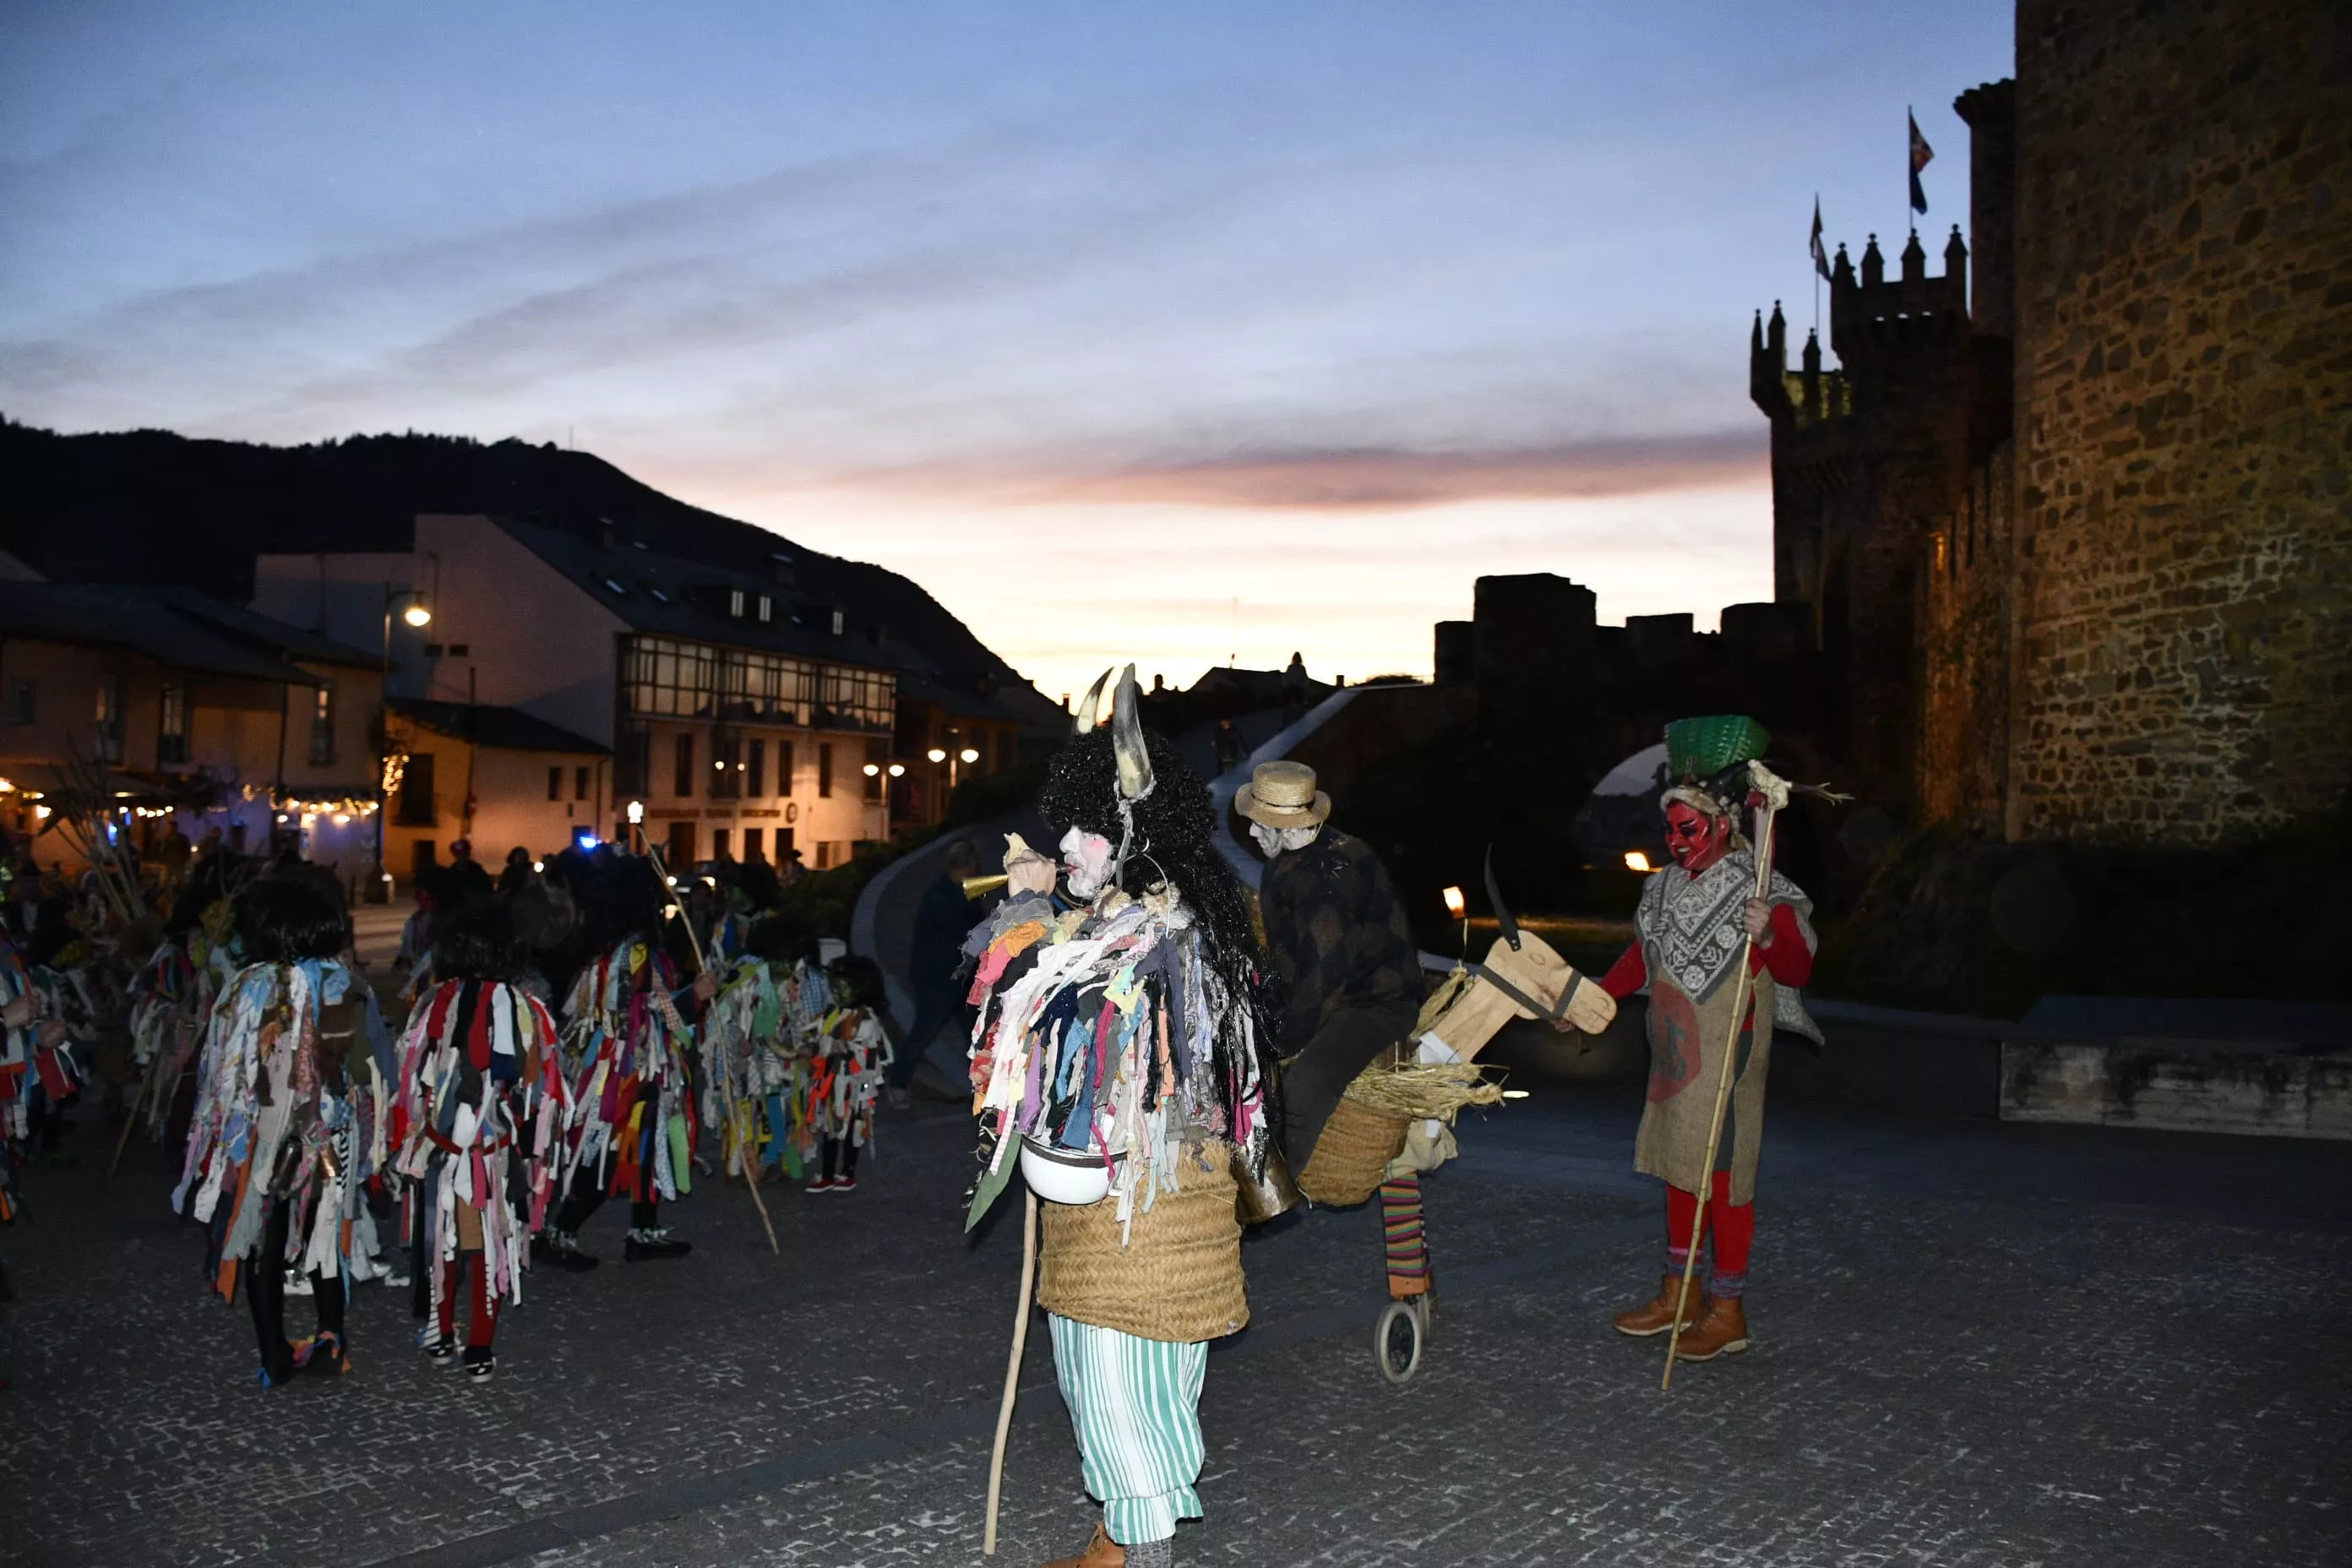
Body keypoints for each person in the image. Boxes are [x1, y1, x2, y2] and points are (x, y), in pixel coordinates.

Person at [965, 672, 1277, 1568]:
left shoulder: (1156, 931)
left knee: (1114, 1379)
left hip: (1138, 1209)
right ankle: (1121, 1534)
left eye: (1083, 829)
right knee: (1143, 1380)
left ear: (1132, 835)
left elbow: (1048, 1017)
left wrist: (1025, 914)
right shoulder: (1141, 914)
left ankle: (1139, 1550)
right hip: (1142, 1206)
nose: (1065, 843)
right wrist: (1047, 908)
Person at [1597, 718, 1821, 1364]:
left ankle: (1728, 1307)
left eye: (1687, 829)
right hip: (1675, 1049)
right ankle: (1681, 1292)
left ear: (1723, 825)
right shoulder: (1662, 889)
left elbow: (1800, 970)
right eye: (1669, 830)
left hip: (1731, 1050)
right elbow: (1641, 959)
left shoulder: (1761, 890)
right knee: (1676, 1160)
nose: (1674, 841)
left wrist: (1772, 937)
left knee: (1723, 1176)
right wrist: (1594, 1000)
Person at [175, 879, 383, 1385]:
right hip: (328, 1134)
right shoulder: (346, 983)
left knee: (261, 1239)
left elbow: (221, 1067)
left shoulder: (247, 985)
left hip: (261, 1138)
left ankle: (273, 1354)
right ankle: (332, 1338)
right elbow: (374, 1065)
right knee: (325, 1234)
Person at [392, 900, 567, 1380]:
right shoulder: (517, 1007)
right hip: (480, 1149)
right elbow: (539, 1083)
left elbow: (411, 1078)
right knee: (482, 1247)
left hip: (451, 1147)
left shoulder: (437, 1002)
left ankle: (446, 1334)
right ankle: (476, 1344)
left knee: (447, 1246)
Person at [1237, 760, 1421, 1177]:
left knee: (1306, 1085)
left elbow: (1325, 977)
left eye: (1259, 824)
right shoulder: (1295, 859)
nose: (1250, 832)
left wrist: (1281, 1040)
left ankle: (1273, 1186)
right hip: (1331, 989)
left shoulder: (1327, 877)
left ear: (1287, 828)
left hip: (1374, 1002)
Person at [539, 857, 716, 1266]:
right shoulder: (630, 955)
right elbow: (633, 1015)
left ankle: (644, 1231)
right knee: (610, 1151)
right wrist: (695, 997)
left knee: (649, 1148)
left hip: (642, 1068)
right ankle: (558, 1231)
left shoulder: (622, 951)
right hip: (625, 1075)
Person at [885, 839, 982, 1109]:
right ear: (967, 865)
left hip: (955, 979)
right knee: (924, 1034)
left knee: (974, 1035)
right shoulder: (942, 896)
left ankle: (980, 1088)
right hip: (939, 981)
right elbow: (960, 933)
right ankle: (898, 1084)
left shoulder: (953, 891)